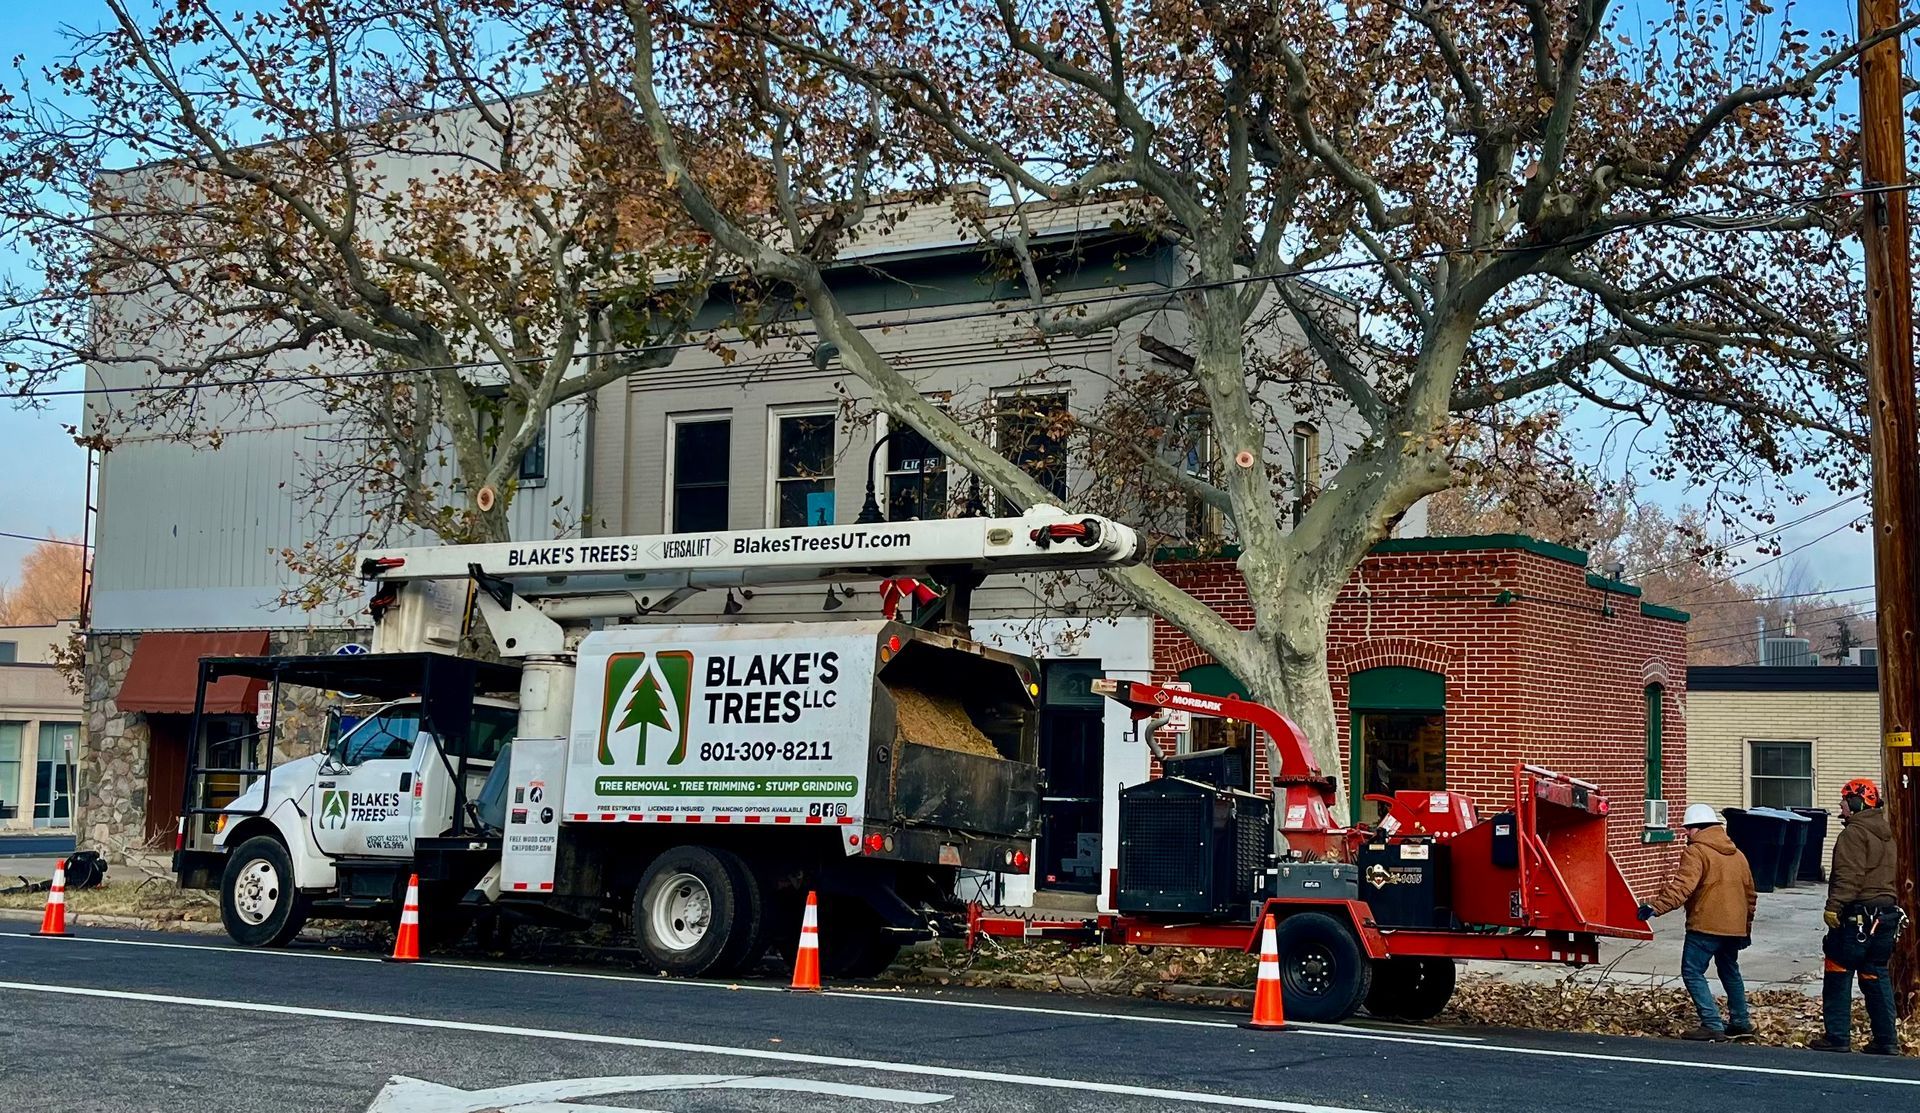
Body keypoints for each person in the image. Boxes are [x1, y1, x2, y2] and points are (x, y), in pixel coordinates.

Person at [1637, 802, 1757, 1042]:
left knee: (1692, 971)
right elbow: (1750, 894)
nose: (1685, 834)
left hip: (1706, 924)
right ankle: (1741, 1022)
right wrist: (1745, 928)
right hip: (1734, 927)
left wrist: (1654, 907)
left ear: (1698, 828)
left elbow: (1683, 887)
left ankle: (1712, 1024)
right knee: (1730, 971)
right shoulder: (1738, 854)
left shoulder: (1696, 851)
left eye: (1688, 829)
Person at [1809, 777, 1905, 1055]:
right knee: (1875, 974)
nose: (1840, 805)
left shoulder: (1853, 834)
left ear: (1857, 802)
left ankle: (1837, 1037)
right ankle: (1886, 1040)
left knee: (1838, 968)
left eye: (1844, 799)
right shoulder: (1885, 833)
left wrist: (1834, 906)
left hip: (1858, 917)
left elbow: (1849, 875)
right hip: (1884, 917)